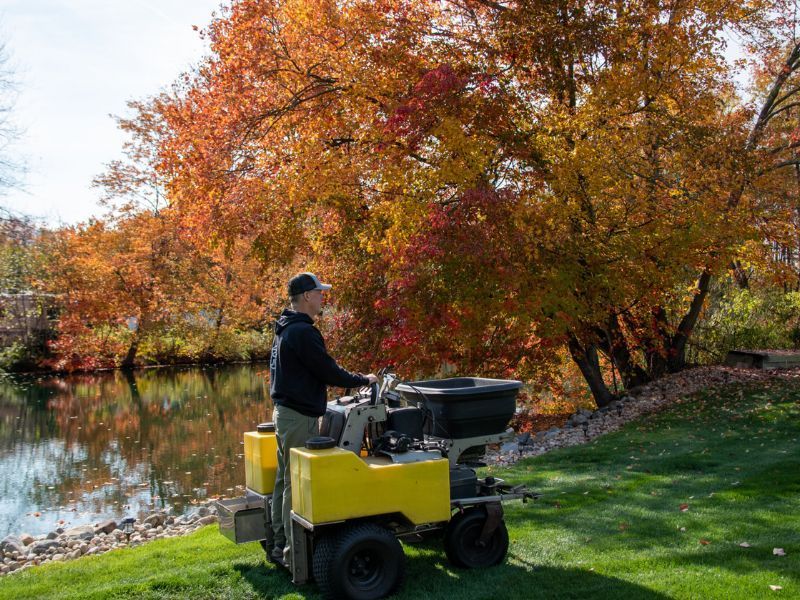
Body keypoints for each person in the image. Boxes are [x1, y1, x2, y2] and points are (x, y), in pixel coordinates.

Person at [268, 271, 378, 567]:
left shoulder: (285, 327)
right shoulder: (302, 331)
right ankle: (292, 555)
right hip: (299, 417)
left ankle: (279, 543)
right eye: (319, 292)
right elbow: (327, 371)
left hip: (286, 414)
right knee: (296, 483)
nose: (322, 297)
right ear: (306, 296)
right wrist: (363, 379)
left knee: (285, 479)